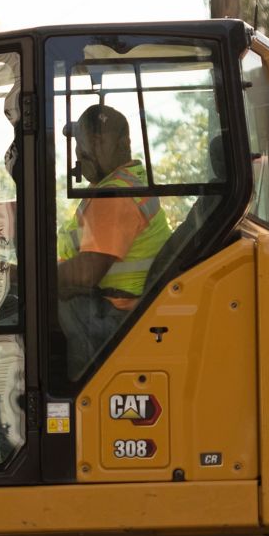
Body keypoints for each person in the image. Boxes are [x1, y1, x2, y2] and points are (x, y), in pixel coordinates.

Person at [55, 103, 171, 378]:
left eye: (97, 141)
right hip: (118, 307)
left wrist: (27, 278)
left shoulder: (113, 196)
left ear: (124, 144)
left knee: (25, 312)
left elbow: (86, 274)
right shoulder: (127, 182)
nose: (83, 152)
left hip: (112, 316)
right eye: (81, 142)